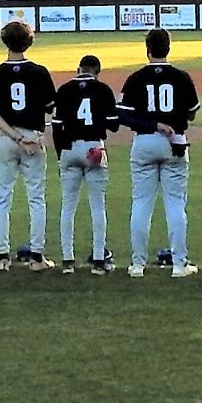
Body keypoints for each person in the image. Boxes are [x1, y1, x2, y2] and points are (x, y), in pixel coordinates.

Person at [119, 28, 200, 277]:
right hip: (174, 140)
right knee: (175, 204)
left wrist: (152, 124)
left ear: (148, 49)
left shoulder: (135, 77)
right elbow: (192, 112)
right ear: (168, 48)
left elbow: (123, 114)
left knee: (141, 203)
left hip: (144, 142)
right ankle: (179, 264)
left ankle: (137, 264)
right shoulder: (181, 77)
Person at [0, 20, 56, 270]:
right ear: (29, 42)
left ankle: (3, 257)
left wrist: (15, 137)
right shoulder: (40, 72)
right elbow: (49, 109)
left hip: (7, 139)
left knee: (2, 198)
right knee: (36, 198)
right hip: (33, 139)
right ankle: (37, 258)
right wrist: (33, 137)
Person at [52, 54, 117, 275]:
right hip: (94, 148)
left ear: (78, 69)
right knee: (97, 206)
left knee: (68, 206)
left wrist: (62, 154)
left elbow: (56, 126)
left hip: (69, 149)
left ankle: (68, 261)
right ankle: (99, 260)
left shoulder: (64, 89)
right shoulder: (103, 89)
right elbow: (114, 126)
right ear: (97, 71)